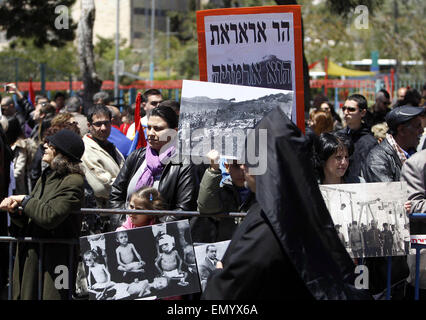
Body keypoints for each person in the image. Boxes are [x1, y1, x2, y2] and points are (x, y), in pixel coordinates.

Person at [203, 105, 372, 300]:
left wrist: (217, 273)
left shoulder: (268, 222)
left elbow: (225, 293)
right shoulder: (303, 207)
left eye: (248, 159)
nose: (243, 166)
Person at [0, 129, 85, 299]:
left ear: (62, 152)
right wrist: (16, 212)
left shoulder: (74, 181)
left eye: (51, 144)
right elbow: (32, 215)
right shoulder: (47, 175)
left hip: (57, 260)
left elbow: (50, 216)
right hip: (33, 255)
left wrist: (24, 199)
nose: (45, 146)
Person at [110, 105, 197, 225]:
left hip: (162, 236)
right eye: (148, 127)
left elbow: (184, 208)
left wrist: (152, 227)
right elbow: (116, 193)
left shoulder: (184, 164)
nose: (151, 133)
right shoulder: (137, 156)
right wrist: (124, 223)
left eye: (158, 128)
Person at [192, 149, 254, 243]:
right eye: (236, 166)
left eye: (246, 165)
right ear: (227, 167)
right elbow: (206, 208)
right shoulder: (223, 187)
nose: (242, 172)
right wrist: (214, 169)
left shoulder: (261, 189)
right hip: (228, 247)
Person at [362, 105, 425, 182]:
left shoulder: (413, 154)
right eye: (418, 126)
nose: (422, 131)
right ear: (401, 130)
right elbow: (387, 191)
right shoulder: (377, 159)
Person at [81, 105, 124, 211]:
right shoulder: (86, 149)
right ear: (89, 125)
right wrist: (128, 188)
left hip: (116, 209)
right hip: (101, 214)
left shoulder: (110, 146)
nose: (103, 128)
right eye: (98, 124)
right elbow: (101, 187)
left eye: (106, 123)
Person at [338, 94, 377, 181]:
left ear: (362, 113)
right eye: (344, 108)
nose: (346, 112)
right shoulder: (338, 136)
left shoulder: (370, 142)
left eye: (351, 109)